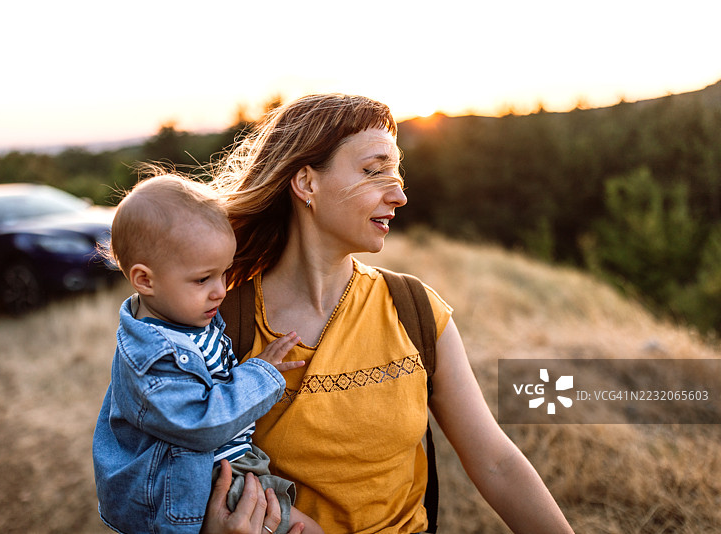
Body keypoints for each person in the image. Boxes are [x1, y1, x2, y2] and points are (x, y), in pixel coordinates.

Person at [202, 93, 575, 533]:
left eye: (396, 172)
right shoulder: (221, 323)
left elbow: (495, 462)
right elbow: (171, 476)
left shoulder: (416, 310)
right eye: (373, 170)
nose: (398, 194)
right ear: (306, 183)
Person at [92, 174, 323, 534]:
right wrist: (260, 374)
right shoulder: (155, 356)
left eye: (224, 273)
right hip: (205, 491)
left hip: (230, 472)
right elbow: (198, 423)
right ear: (145, 280)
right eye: (203, 279)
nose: (220, 290)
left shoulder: (185, 322)